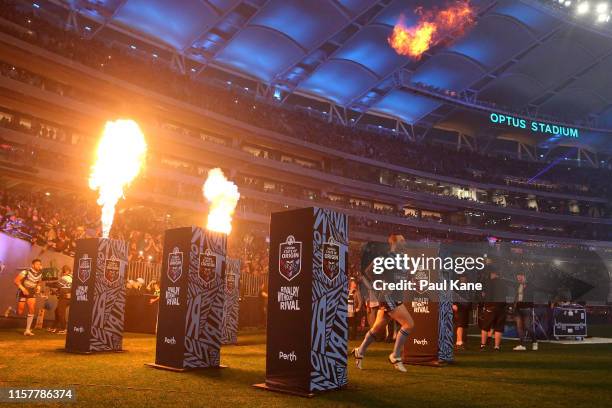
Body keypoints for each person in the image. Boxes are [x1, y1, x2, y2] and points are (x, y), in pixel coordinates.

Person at [352, 234, 415, 373]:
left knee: (377, 328)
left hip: (396, 296)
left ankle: (359, 351)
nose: (405, 242)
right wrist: (376, 288)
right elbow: (366, 273)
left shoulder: (403, 260)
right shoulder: (385, 258)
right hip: (388, 296)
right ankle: (395, 356)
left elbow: (405, 277)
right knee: (408, 324)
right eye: (402, 240)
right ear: (394, 242)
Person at [479, 268, 507, 351]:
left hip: (490, 307)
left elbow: (485, 295)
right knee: (499, 328)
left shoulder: (489, 283)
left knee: (485, 327)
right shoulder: (503, 283)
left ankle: (483, 345)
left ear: (492, 274)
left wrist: (485, 305)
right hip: (501, 308)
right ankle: (496, 346)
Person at [14, 258, 43, 336]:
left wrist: (38, 288)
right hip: (23, 292)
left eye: (40, 264)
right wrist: (23, 289)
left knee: (32, 308)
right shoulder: (25, 271)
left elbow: (39, 282)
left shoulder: (40, 274)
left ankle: (27, 330)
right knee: (20, 312)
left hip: (32, 292)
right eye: (37, 264)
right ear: (33, 265)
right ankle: (11, 310)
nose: (39, 265)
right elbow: (16, 281)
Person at [512, 272, 538, 351]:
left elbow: (531, 295)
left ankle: (534, 342)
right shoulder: (518, 285)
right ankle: (522, 345)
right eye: (518, 278)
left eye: (520, 277)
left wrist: (525, 287)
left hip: (527, 309)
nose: (518, 279)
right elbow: (517, 296)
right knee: (520, 328)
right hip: (518, 309)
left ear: (524, 277)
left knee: (527, 327)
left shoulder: (530, 285)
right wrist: (514, 304)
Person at [453, 274, 472, 350]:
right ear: (460, 279)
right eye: (462, 278)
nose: (463, 280)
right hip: (459, 308)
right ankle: (459, 342)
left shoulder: (469, 288)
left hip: (466, 308)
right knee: (460, 324)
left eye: (465, 278)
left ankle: (462, 341)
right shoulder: (456, 287)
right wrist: (454, 304)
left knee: (464, 325)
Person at [51, 265, 72, 334]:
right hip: (68, 297)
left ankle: (63, 329)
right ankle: (54, 327)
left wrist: (47, 283)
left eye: (63, 270)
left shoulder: (64, 277)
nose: (62, 272)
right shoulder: (72, 277)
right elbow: (62, 288)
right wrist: (55, 292)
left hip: (64, 298)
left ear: (66, 271)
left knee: (60, 313)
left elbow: (57, 285)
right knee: (57, 311)